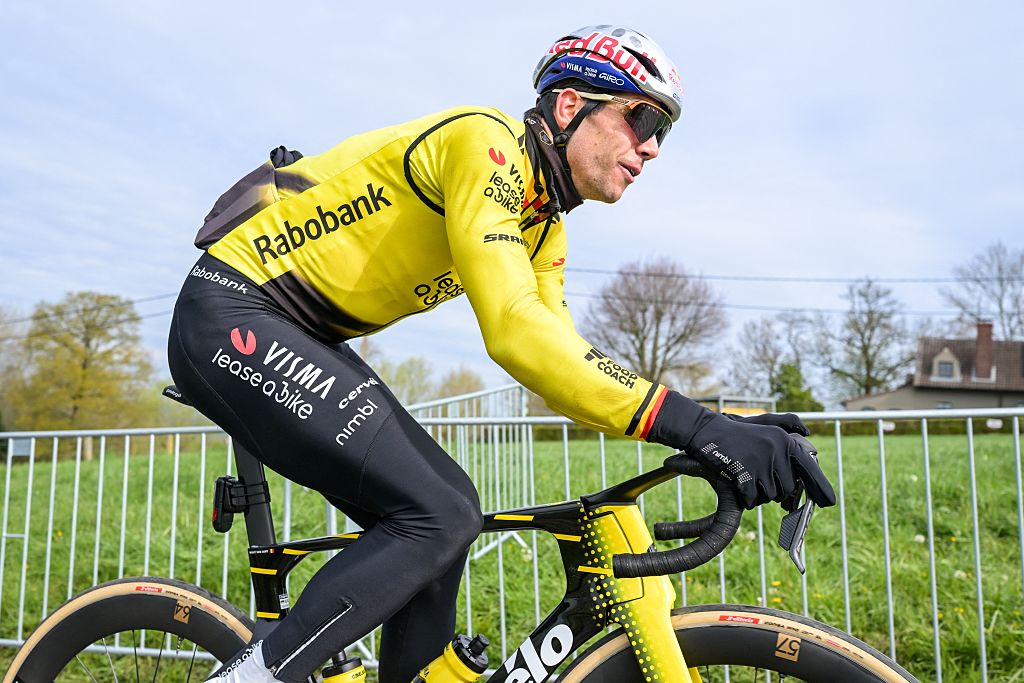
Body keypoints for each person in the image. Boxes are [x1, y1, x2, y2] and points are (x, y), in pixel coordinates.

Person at [168, 24, 836, 683]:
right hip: (233, 314)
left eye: (665, 130)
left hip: (303, 332)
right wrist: (695, 424)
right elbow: (515, 327)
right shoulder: (484, 144)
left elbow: (561, 358)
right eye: (641, 117)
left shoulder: (543, 225)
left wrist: (717, 423)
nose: (654, 147)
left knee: (446, 517)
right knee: (441, 513)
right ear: (571, 106)